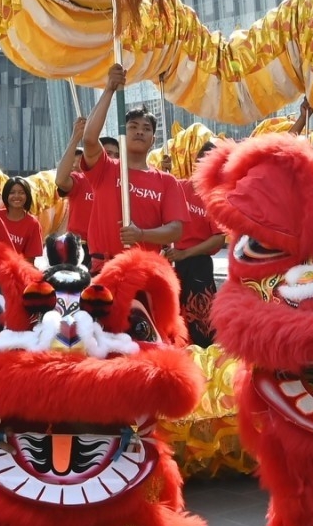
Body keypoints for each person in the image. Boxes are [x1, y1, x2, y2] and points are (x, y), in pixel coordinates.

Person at [61, 63, 184, 269]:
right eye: (133, 127)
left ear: (153, 140)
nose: (139, 131)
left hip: (145, 269)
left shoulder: (167, 182)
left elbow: (175, 230)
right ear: (122, 134)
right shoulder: (105, 168)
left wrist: (141, 234)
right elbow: (90, 138)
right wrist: (109, 88)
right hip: (104, 267)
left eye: (146, 128)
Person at [162, 142, 224, 347]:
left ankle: (203, 355)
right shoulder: (178, 187)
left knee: (201, 323)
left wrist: (185, 253)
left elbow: (218, 239)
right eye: (204, 160)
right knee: (171, 314)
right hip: (172, 260)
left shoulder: (215, 199)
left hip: (198, 263)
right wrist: (164, 171)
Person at [0, 176, 43, 263]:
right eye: (12, 192)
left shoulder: (33, 224)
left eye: (21, 193)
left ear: (27, 196)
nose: (16, 196)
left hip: (18, 269)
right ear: (6, 195)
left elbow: (30, 260)